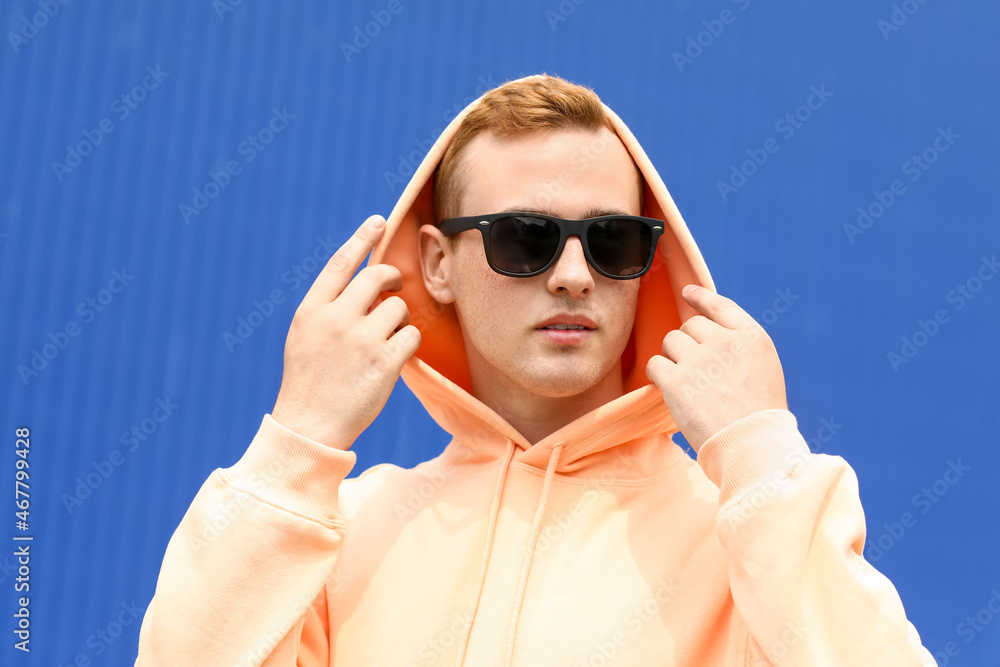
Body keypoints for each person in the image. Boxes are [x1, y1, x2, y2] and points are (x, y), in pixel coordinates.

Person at [135, 74, 935, 666]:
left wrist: (762, 449)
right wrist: (298, 439)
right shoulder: (338, 534)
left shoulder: (745, 539)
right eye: (527, 236)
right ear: (437, 265)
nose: (575, 274)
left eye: (613, 240)